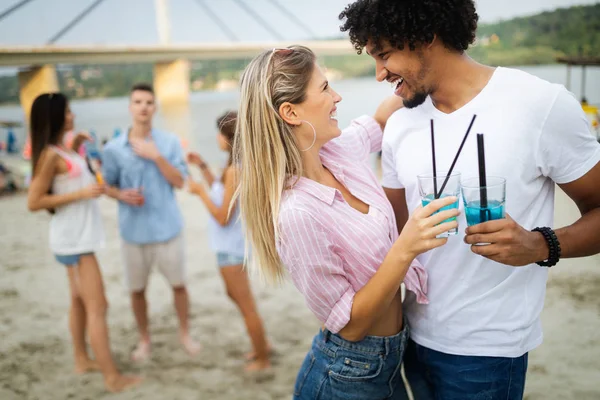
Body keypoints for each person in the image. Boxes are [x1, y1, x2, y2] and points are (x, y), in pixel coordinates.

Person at [339, 1, 600, 399]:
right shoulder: (399, 123)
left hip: (488, 354)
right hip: (408, 339)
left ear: (424, 36)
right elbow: (392, 235)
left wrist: (540, 244)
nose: (379, 74)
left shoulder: (539, 104)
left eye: (384, 54)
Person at [233, 45, 458, 399]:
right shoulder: (297, 214)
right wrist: (406, 246)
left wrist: (426, 77)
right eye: (324, 89)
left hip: (388, 362)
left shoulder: (337, 151)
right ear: (290, 112)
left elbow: (381, 118)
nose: (336, 97)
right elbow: (351, 326)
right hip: (347, 376)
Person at [26, 93, 141, 393]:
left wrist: (75, 147)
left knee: (78, 301)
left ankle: (81, 359)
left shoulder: (59, 151)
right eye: (67, 112)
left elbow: (72, 178)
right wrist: (80, 194)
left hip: (75, 238)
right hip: (75, 241)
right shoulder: (50, 155)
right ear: (55, 117)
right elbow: (34, 201)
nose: (72, 115)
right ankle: (112, 377)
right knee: (98, 306)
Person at [102, 83, 200, 361]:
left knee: (179, 285)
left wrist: (155, 156)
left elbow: (180, 182)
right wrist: (120, 194)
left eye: (148, 102)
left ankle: (185, 334)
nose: (143, 107)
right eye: (138, 102)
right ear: (130, 107)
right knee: (137, 291)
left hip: (168, 229)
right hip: (133, 233)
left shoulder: (168, 142)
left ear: (154, 107)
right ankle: (144, 339)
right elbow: (107, 186)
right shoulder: (113, 149)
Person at [187, 110, 271, 372]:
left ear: (228, 137)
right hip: (228, 247)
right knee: (235, 296)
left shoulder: (235, 169)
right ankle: (261, 347)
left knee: (246, 305)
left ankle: (262, 358)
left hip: (231, 248)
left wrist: (199, 192)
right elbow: (223, 193)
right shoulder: (233, 165)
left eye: (219, 132)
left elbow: (223, 216)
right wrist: (202, 168)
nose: (216, 137)